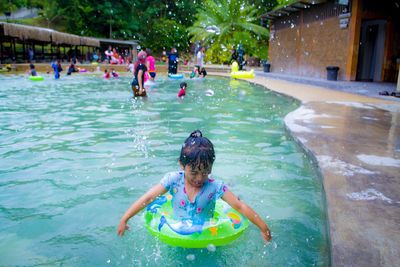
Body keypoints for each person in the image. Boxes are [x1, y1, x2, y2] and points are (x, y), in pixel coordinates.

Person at [117, 130, 272, 242]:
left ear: (211, 167)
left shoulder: (215, 187)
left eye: (205, 172)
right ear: (182, 165)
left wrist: (263, 227)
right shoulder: (173, 180)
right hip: (175, 234)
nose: (199, 178)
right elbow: (149, 198)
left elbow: (239, 206)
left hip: (208, 237)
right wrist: (125, 218)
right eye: (194, 172)